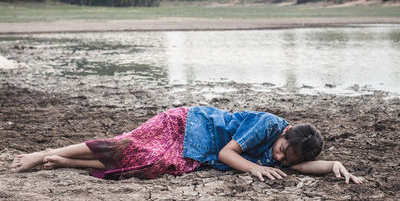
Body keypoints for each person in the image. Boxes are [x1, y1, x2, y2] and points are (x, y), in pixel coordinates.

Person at [11, 106, 363, 184]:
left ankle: (64, 163)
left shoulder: (292, 153)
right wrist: (255, 167)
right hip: (186, 125)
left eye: (286, 156)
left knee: (146, 166)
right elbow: (228, 153)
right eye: (283, 148)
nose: (279, 157)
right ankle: (41, 154)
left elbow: (300, 167)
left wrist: (333, 167)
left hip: (196, 155)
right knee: (126, 146)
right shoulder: (268, 125)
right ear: (285, 132)